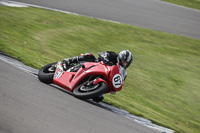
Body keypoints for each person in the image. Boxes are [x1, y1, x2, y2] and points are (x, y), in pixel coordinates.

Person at [62, 50, 133, 102]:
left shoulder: (123, 71)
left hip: (104, 79)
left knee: (99, 98)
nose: (124, 63)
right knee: (89, 56)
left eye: (126, 62)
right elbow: (102, 53)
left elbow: (119, 80)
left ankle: (88, 87)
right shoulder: (113, 55)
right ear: (120, 57)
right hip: (96, 65)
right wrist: (107, 61)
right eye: (124, 61)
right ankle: (69, 60)